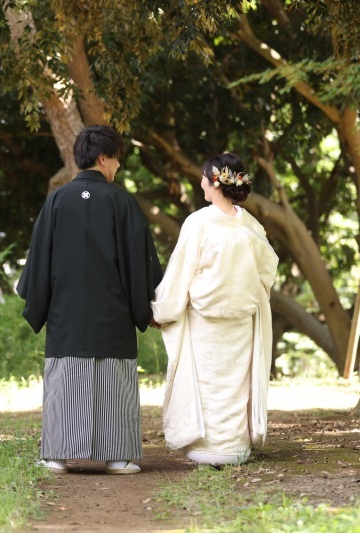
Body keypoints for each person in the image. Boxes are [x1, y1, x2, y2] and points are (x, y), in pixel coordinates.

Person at [17, 124, 163, 475]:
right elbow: (138, 263)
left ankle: (56, 455)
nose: (118, 167)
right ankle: (117, 456)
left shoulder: (55, 201)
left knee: (65, 380)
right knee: (114, 382)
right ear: (103, 157)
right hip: (112, 314)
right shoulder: (122, 202)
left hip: (65, 314)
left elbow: (38, 259)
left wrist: (38, 301)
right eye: (116, 159)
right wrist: (147, 307)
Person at [151, 153, 278, 467]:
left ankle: (208, 447)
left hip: (205, 321)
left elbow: (181, 270)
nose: (201, 184)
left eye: (204, 179)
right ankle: (234, 446)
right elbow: (268, 271)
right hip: (241, 321)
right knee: (235, 382)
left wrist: (161, 310)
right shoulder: (251, 225)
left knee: (208, 383)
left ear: (216, 183)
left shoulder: (199, 222)